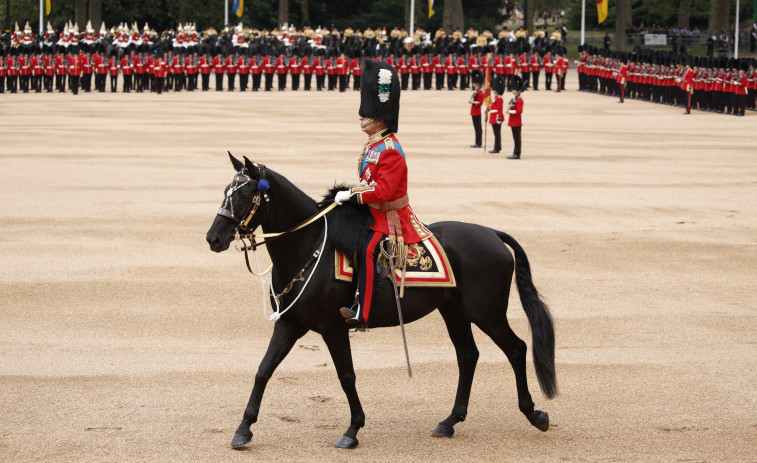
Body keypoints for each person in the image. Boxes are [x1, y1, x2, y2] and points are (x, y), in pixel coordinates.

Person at [334, 60, 431, 327]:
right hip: (372, 209)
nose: (362, 116)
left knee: (366, 250)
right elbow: (369, 181)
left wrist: (353, 196)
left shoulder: (390, 149)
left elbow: (384, 191)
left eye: (368, 113)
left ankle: (363, 313)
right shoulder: (373, 144)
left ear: (380, 117)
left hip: (391, 216)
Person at [506, 75, 524, 159]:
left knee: (517, 138)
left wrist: (510, 111)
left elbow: (519, 111)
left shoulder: (519, 100)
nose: (512, 90)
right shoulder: (515, 99)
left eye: (513, 89)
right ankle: (515, 152)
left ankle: (517, 153)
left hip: (516, 121)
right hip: (513, 120)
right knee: (515, 138)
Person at [487, 76, 505, 154]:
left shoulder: (499, 99)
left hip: (496, 118)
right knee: (496, 134)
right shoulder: (495, 98)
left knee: (497, 134)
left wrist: (499, 118)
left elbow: (499, 109)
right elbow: (493, 107)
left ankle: (497, 148)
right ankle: (498, 146)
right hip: (493, 117)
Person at [468, 69, 484, 148]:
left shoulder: (480, 92)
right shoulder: (476, 91)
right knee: (476, 128)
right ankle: (477, 142)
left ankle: (479, 142)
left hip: (477, 111)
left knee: (478, 128)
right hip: (474, 111)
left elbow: (480, 103)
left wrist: (473, 103)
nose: (473, 83)